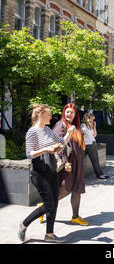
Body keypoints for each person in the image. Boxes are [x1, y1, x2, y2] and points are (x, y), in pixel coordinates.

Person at [18, 104, 75, 243]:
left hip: (51, 169)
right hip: (39, 171)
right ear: (41, 115)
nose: (51, 117)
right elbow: (29, 154)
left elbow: (61, 144)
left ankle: (49, 235)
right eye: (49, 114)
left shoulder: (48, 129)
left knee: (54, 204)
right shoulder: (32, 131)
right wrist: (46, 149)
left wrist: (69, 133)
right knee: (48, 204)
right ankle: (24, 223)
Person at [52, 103, 88, 226]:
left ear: (75, 114)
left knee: (77, 189)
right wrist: (66, 161)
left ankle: (75, 216)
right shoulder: (60, 125)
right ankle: (44, 207)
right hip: (67, 165)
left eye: (71, 112)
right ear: (64, 112)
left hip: (77, 164)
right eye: (67, 112)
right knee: (63, 190)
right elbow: (57, 145)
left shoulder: (75, 127)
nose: (69, 114)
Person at [81, 113, 109, 180]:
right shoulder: (83, 125)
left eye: (93, 119)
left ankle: (100, 173)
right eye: (92, 119)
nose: (93, 120)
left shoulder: (92, 125)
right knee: (94, 160)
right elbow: (87, 134)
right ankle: (99, 174)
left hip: (93, 142)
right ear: (87, 118)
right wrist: (90, 126)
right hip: (87, 144)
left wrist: (94, 127)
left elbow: (95, 135)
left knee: (96, 159)